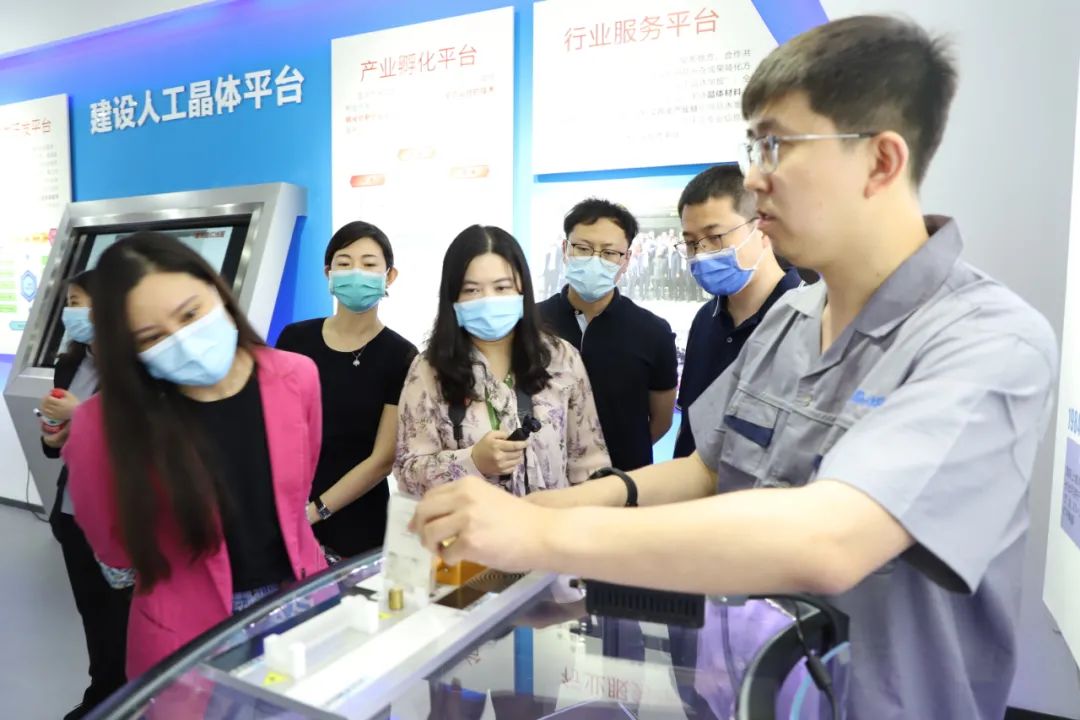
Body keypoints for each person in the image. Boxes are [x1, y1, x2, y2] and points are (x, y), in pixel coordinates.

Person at [412, 16, 1058, 720]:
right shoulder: (790, 320)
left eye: (777, 145)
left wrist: (541, 537)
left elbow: (830, 539)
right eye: (753, 146)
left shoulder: (988, 343)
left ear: (880, 161)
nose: (755, 176)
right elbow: (704, 470)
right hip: (735, 687)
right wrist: (544, 512)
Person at [63, 232, 327, 679]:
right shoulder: (101, 426)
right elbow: (115, 551)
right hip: (186, 633)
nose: (183, 341)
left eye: (190, 314)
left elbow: (300, 483)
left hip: (301, 601)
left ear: (216, 289)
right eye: (152, 337)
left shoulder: (296, 375)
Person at [394, 224, 610, 497]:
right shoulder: (428, 370)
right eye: (471, 290)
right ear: (452, 298)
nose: (488, 300)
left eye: (501, 287)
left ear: (522, 289)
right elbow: (407, 472)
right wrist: (472, 461)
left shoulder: (561, 358)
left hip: (551, 521)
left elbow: (589, 463)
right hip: (467, 523)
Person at [276, 222, 417, 557]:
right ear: (329, 273)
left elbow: (382, 459)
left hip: (358, 522)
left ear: (389, 276)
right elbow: (273, 428)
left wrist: (315, 511)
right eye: (344, 263)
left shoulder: (402, 356)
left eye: (369, 264)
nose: (356, 272)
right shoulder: (294, 339)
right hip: (286, 511)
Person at [40, 269, 130, 719]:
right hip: (75, 514)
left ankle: (133, 700)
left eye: (81, 302)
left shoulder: (143, 370)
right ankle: (101, 696)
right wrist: (53, 433)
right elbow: (54, 446)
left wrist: (83, 415)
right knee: (93, 615)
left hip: (124, 520)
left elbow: (142, 443)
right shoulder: (70, 363)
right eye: (70, 303)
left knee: (125, 620)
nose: (72, 312)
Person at [536, 199, 677, 472]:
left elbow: (661, 420)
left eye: (609, 252)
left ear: (626, 260)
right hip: (547, 479)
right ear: (565, 249)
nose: (594, 260)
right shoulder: (531, 324)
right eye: (583, 248)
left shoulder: (653, 332)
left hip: (624, 479)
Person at [673, 166, 803, 458]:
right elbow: (690, 429)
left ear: (763, 227)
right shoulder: (704, 320)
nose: (701, 253)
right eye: (691, 243)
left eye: (715, 236)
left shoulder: (807, 319)